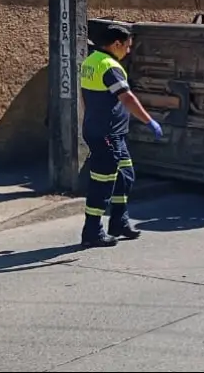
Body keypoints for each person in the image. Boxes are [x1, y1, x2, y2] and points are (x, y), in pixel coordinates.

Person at [80, 24, 162, 248]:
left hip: (109, 132)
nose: (128, 51)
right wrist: (149, 121)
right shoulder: (109, 66)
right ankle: (92, 231)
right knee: (102, 182)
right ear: (116, 44)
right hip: (106, 133)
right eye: (127, 46)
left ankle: (119, 221)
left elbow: (86, 96)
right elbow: (127, 98)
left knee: (125, 175)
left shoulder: (91, 61)